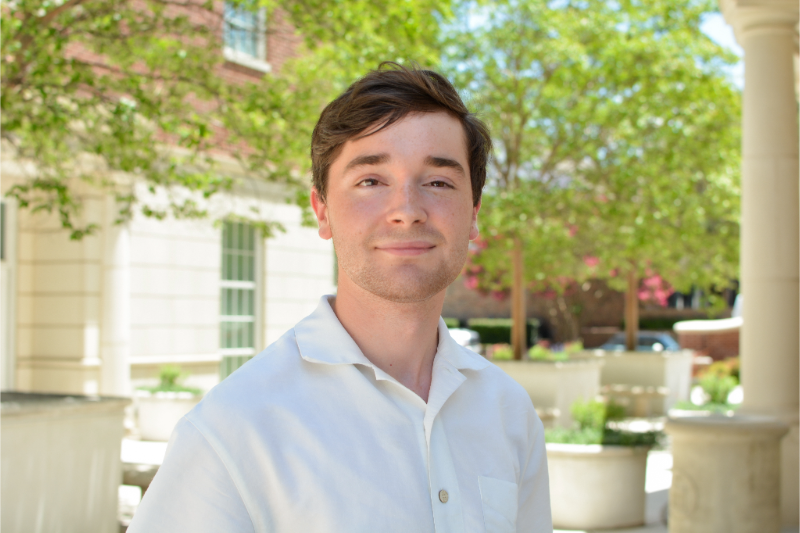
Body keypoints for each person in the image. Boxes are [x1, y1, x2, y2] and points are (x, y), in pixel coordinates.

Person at [128, 63, 552, 533]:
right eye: (371, 181)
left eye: (438, 182)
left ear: (473, 214)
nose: (407, 211)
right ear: (322, 210)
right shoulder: (232, 429)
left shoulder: (510, 413)